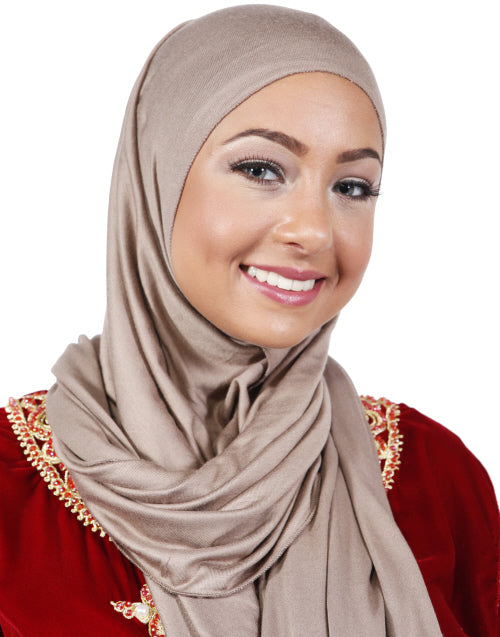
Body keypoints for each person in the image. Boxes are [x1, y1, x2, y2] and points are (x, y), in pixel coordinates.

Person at [0, 5, 498, 636]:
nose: (314, 231)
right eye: (261, 170)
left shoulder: (435, 479)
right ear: (159, 175)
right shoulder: (11, 495)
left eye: (352, 187)